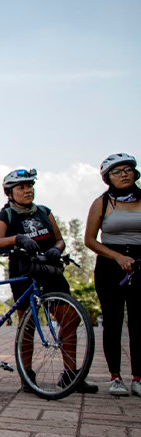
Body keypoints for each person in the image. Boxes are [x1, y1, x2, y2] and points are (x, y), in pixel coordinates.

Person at [0, 168, 98, 394]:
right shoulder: (5, 216)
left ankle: (70, 374)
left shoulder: (44, 212)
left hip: (49, 268)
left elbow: (59, 240)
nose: (27, 190)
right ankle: (27, 375)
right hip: (24, 271)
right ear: (9, 192)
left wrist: (56, 251)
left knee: (70, 318)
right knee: (27, 325)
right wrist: (17, 238)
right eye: (21, 187)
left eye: (30, 186)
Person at [85, 153, 141, 397]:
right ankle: (115, 377)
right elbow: (89, 240)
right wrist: (117, 257)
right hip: (110, 266)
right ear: (108, 178)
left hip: (139, 264)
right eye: (118, 171)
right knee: (113, 321)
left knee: (139, 324)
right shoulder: (102, 203)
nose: (124, 174)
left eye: (128, 169)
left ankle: (138, 377)